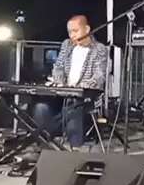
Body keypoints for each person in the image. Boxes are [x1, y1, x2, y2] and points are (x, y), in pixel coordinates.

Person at [31, 15, 108, 150]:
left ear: (87, 29)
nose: (72, 35)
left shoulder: (99, 49)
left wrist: (79, 88)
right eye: (70, 32)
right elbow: (58, 68)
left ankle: (74, 150)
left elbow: (99, 76)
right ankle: (43, 147)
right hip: (61, 96)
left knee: (74, 109)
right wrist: (60, 83)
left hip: (84, 101)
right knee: (40, 108)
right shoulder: (67, 45)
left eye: (75, 31)